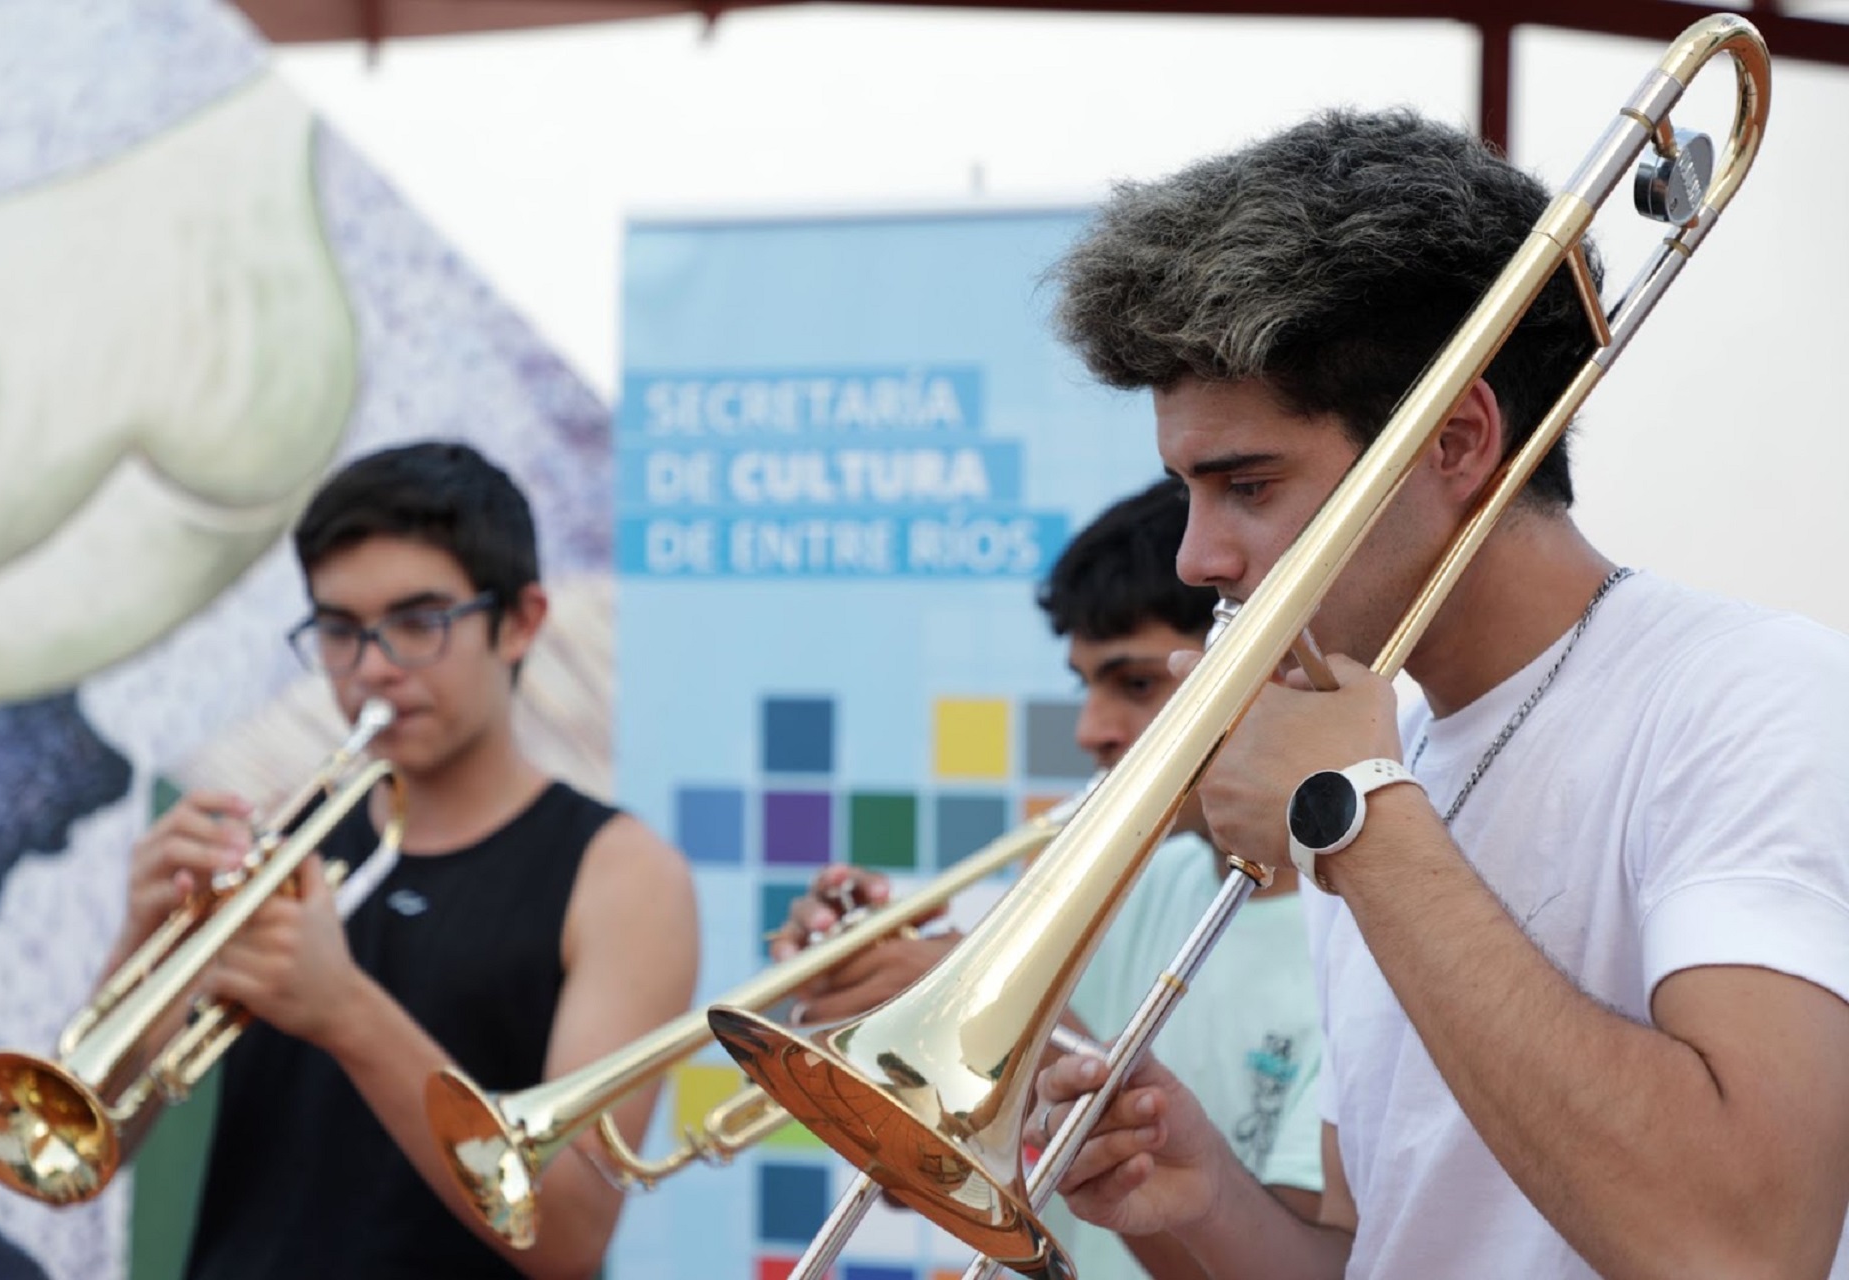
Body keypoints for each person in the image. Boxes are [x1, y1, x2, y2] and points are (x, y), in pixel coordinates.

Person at [1029, 108, 1849, 1280]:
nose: (1197, 557)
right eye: (1188, 489)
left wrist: (1360, 819)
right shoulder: (1371, 757)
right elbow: (1379, 1249)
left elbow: (1743, 1248)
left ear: (1458, 441)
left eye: (1247, 485)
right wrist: (1193, 1196)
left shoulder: (1752, 694)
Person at [103, 441, 699, 1279]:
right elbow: (90, 1153)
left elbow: (569, 1235)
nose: (373, 669)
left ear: (521, 622)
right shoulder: (282, 836)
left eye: (420, 623)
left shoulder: (623, 875)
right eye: (340, 632)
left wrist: (345, 1011)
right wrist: (140, 944)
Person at [770, 477, 1325, 1278]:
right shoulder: (1131, 882)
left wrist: (1030, 1039)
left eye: (1136, 684)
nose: (1091, 729)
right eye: (1086, 684)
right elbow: (923, 1180)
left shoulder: (1357, 938)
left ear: (1268, 666)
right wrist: (885, 1021)